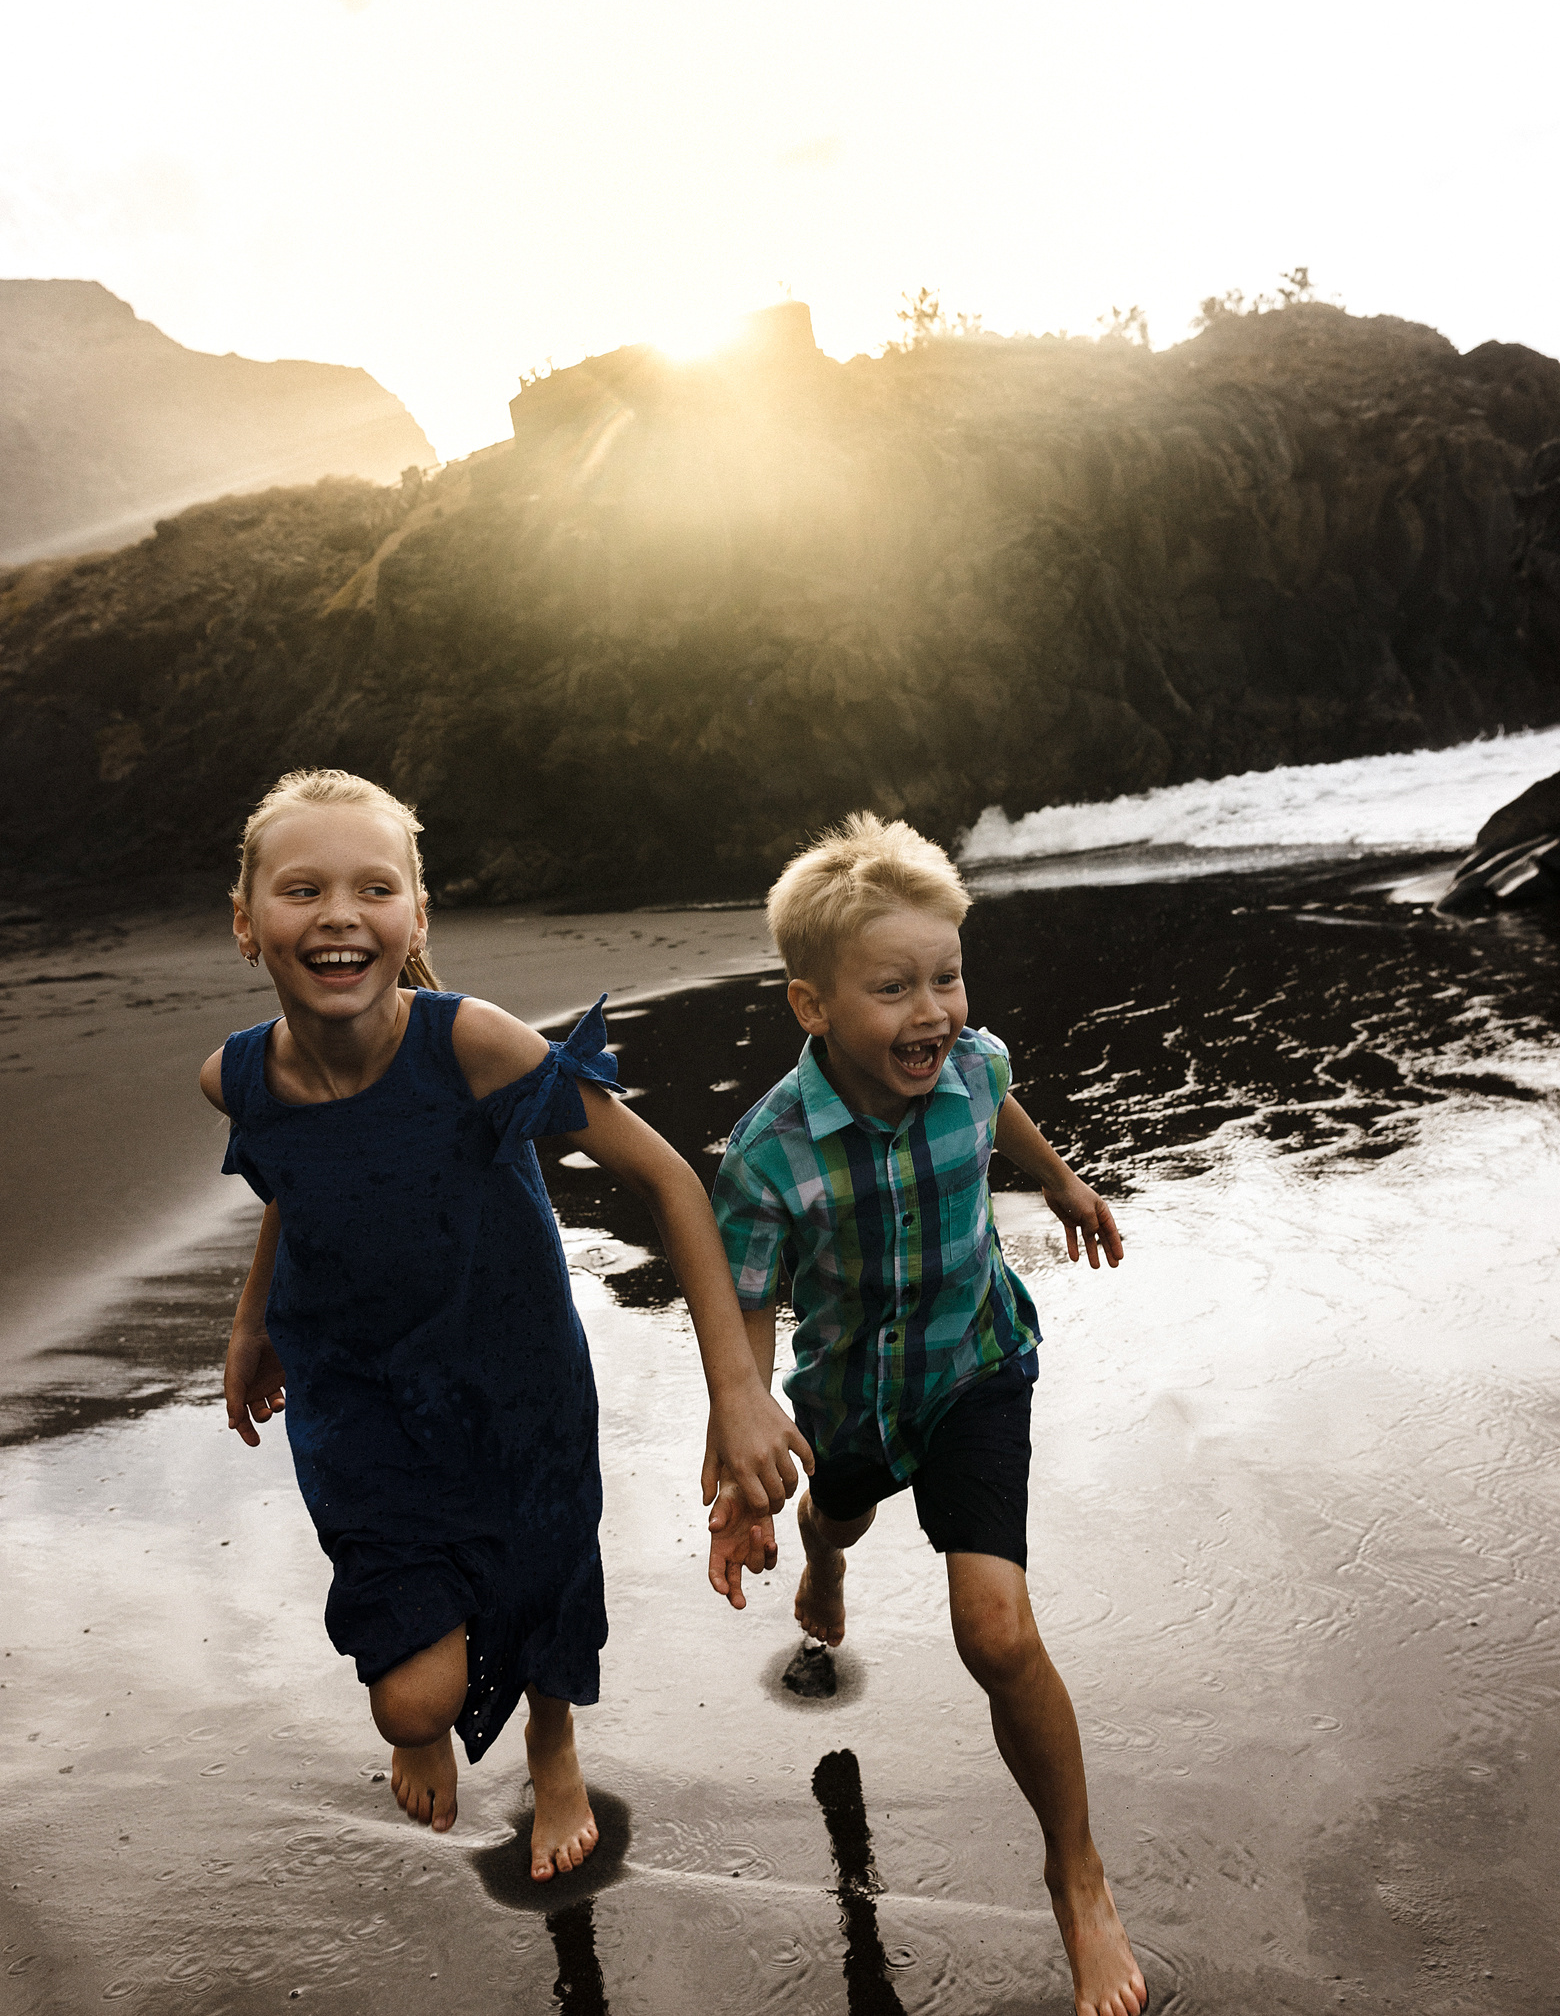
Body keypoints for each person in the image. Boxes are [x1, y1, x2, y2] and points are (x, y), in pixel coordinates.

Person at [206, 768, 808, 1867]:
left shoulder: (470, 1046)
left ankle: (552, 1745)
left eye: (374, 887)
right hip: (358, 1393)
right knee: (408, 1701)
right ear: (248, 924)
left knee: (539, 1572)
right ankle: (432, 1718)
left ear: (416, 917)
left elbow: (670, 1178)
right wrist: (254, 1322)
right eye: (302, 889)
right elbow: (291, 1183)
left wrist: (736, 1390)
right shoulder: (238, 1078)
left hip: (510, 1374)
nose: (340, 913)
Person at [706, 813, 1148, 2016]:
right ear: (813, 1005)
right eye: (893, 988)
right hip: (850, 1399)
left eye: (946, 977)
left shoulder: (974, 1064)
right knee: (836, 1520)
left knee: (995, 1632)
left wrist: (1057, 1178)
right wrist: (742, 1480)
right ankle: (826, 1567)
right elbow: (743, 1318)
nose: (933, 1012)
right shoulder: (767, 1155)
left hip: (973, 1369)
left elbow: (996, 1097)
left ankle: (1077, 1876)